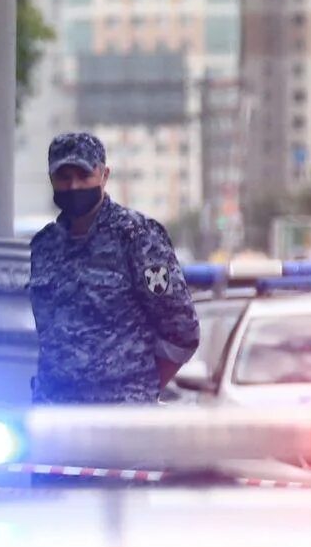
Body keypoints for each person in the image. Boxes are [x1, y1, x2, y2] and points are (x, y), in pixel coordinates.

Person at [27, 132, 199, 403]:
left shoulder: (138, 237)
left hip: (119, 415)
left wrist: (140, 389)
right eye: (64, 177)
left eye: (83, 176)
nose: (73, 187)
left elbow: (182, 331)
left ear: (104, 176)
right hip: (55, 413)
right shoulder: (44, 245)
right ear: (51, 180)